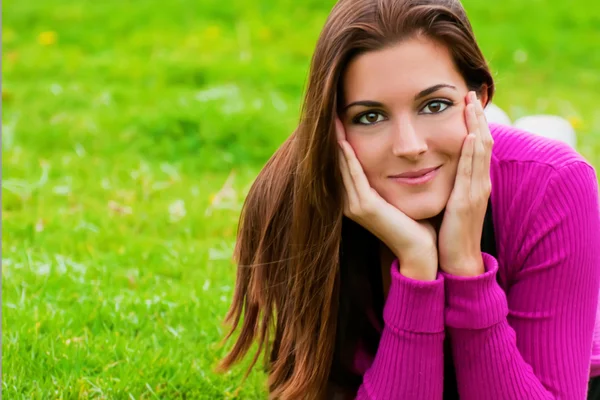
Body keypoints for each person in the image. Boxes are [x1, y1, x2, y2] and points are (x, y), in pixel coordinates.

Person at [215, 0, 600, 398]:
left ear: (480, 97)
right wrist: (417, 266)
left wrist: (465, 267)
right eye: (370, 116)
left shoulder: (555, 184)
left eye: (434, 105)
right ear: (333, 125)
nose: (409, 146)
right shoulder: (295, 201)